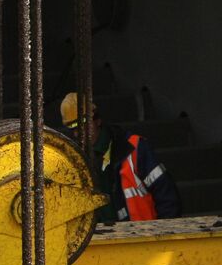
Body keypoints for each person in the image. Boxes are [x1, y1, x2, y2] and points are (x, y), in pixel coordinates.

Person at [61, 93, 181, 222]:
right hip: (105, 238)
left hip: (144, 236)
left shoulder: (134, 148)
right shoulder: (76, 163)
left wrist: (163, 235)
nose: (79, 131)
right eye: (73, 127)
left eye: (84, 122)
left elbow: (167, 196)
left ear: (98, 120)